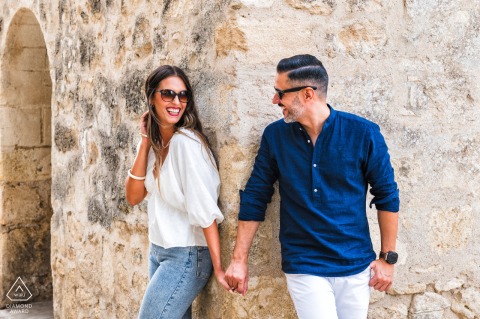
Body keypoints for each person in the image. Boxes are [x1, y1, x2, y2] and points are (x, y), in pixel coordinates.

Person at [225, 54, 400, 319]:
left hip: (356, 264)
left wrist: (387, 259)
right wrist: (239, 260)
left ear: (308, 94)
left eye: (280, 93)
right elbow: (255, 197)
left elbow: (387, 195)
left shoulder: (364, 133)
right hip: (305, 263)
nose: (275, 100)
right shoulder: (275, 136)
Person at [125, 65, 230, 319]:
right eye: (168, 94)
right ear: (152, 97)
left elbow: (205, 210)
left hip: (186, 255)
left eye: (183, 96)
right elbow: (133, 196)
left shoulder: (186, 144)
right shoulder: (154, 143)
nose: (176, 102)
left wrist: (217, 268)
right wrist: (145, 141)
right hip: (158, 251)